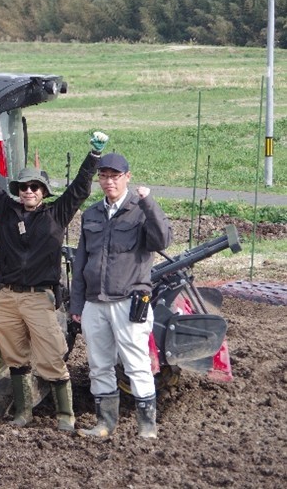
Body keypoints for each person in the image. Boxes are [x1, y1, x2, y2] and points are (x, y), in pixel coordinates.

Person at [0, 131, 108, 431]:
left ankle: (65, 416)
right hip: (7, 297)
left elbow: (79, 189)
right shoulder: (6, 211)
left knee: (51, 355)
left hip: (39, 297)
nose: (28, 191)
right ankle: (24, 413)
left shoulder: (57, 215)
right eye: (23, 187)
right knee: (14, 356)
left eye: (35, 187)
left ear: (44, 191)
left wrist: (94, 156)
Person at [70, 152, 172, 440]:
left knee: (136, 363)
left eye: (115, 176)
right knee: (99, 364)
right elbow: (80, 263)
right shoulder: (91, 214)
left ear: (127, 177)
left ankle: (147, 427)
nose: (109, 181)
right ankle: (104, 423)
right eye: (104, 176)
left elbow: (162, 240)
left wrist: (149, 202)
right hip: (94, 302)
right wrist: (77, 304)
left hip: (129, 301)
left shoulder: (141, 210)